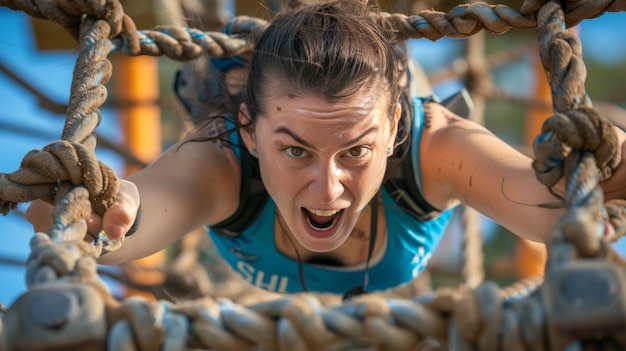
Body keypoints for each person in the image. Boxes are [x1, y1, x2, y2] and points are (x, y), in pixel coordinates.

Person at [27, 0, 626, 297]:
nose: (328, 188)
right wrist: (96, 204)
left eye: (356, 153)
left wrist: (612, 166)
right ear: (254, 134)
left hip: (379, 93)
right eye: (295, 152)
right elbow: (133, 217)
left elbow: (558, 210)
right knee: (209, 76)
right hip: (233, 86)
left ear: (391, 133)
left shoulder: (434, 147)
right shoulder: (221, 158)